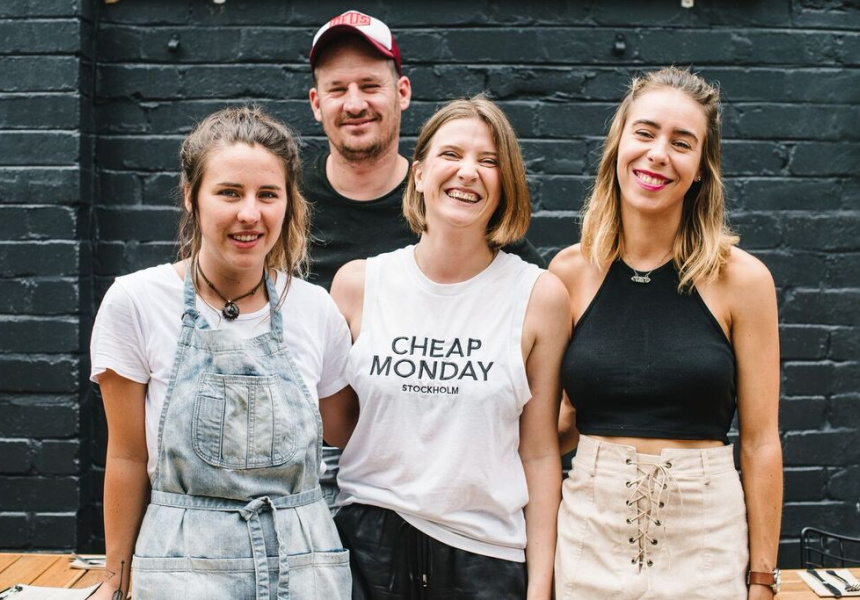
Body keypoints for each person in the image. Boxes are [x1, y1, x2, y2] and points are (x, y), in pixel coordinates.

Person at [89, 107, 355, 599]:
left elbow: (351, 442)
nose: (249, 214)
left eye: (268, 195)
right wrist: (114, 578)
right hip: (182, 569)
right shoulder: (136, 301)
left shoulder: (315, 309)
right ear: (191, 196)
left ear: (288, 203)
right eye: (229, 192)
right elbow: (127, 455)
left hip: (305, 569)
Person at [550, 67, 782, 600]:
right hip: (589, 535)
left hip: (707, 543)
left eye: (682, 143)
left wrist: (763, 579)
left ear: (701, 169)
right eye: (645, 133)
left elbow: (761, 441)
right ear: (618, 145)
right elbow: (551, 430)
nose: (658, 154)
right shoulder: (568, 273)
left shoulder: (743, 281)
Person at [304, 9, 546, 512]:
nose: (355, 103)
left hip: (442, 489)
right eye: (337, 88)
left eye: (371, 85)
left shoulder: (460, 209)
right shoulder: (281, 206)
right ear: (316, 102)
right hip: (312, 472)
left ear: (403, 92)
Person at [330, 95, 570, 599]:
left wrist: (540, 586)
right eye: (451, 154)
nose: (468, 171)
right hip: (366, 552)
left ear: (506, 184)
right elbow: (339, 427)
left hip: (486, 559)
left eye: (489, 161)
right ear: (418, 174)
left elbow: (540, 453)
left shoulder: (538, 296)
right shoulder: (358, 285)